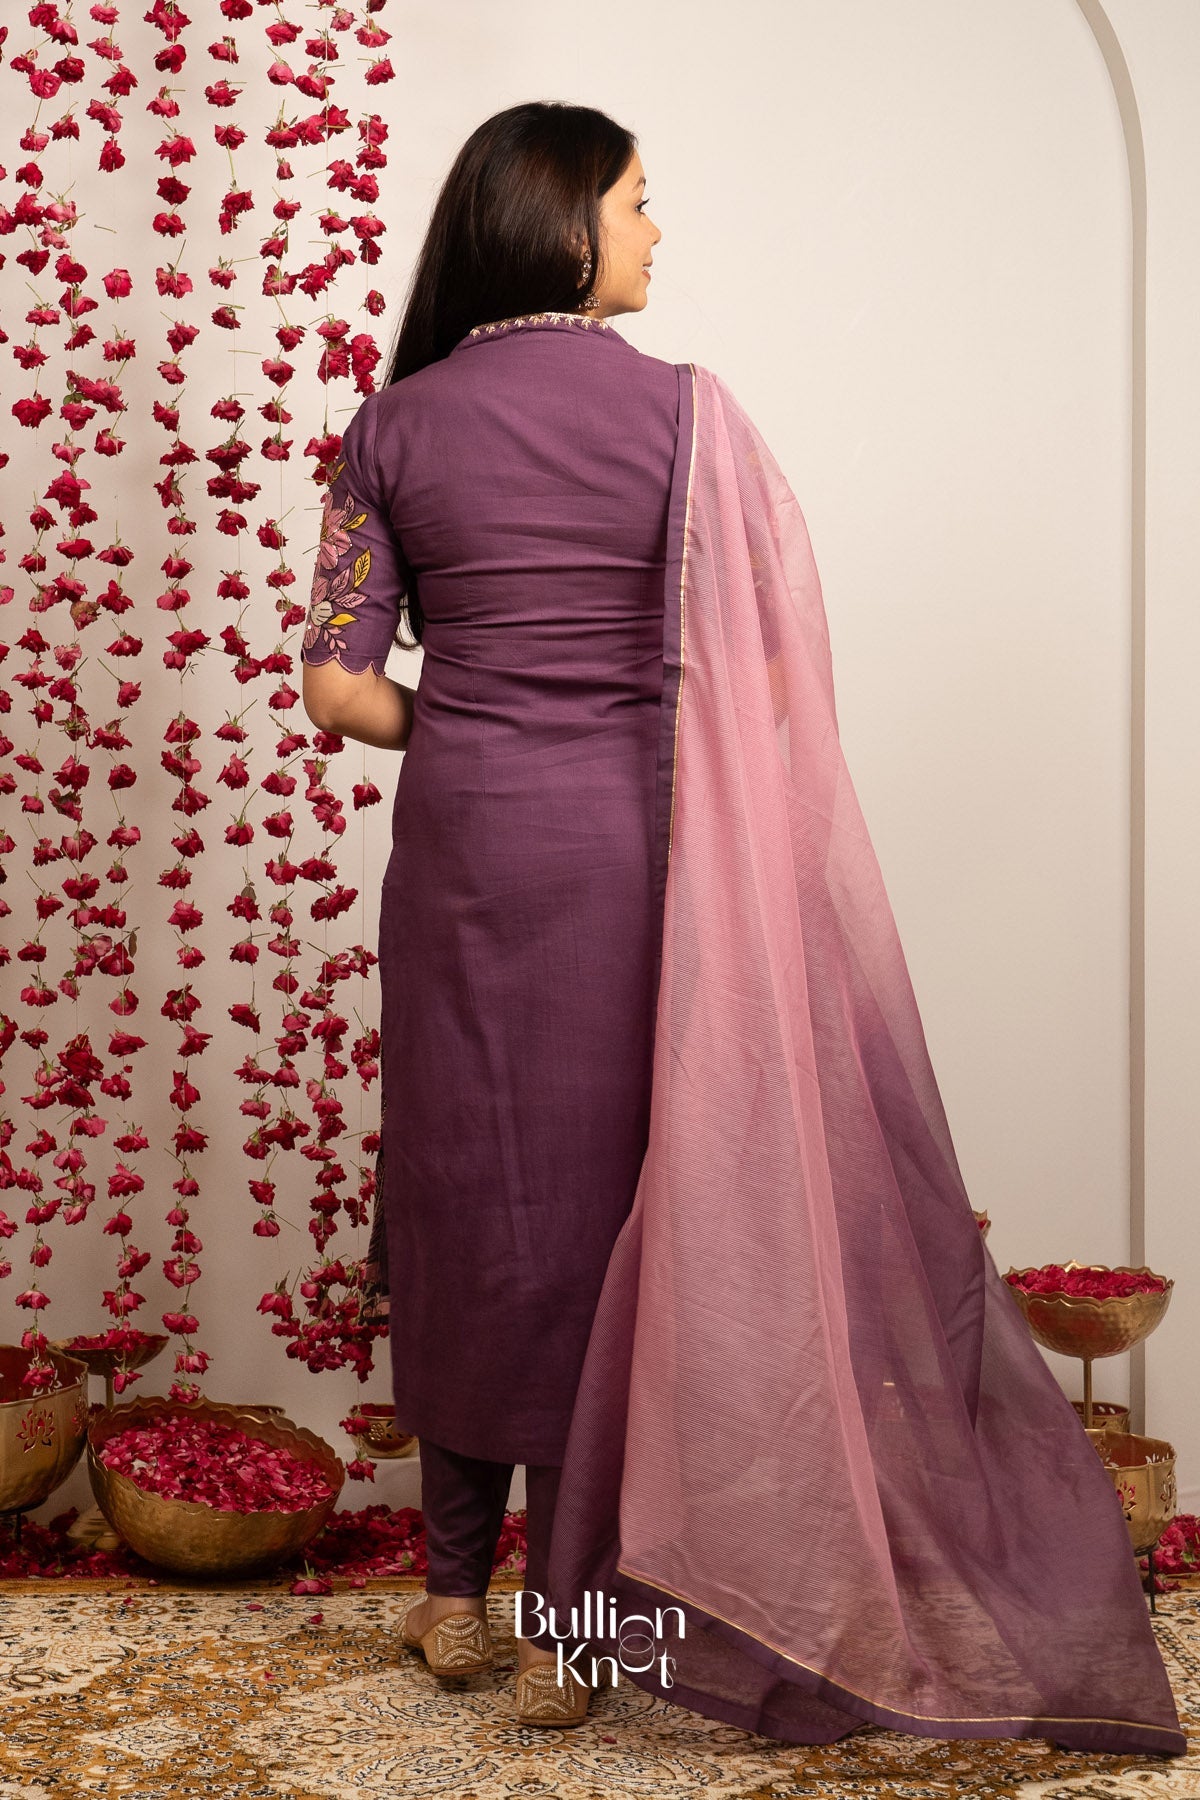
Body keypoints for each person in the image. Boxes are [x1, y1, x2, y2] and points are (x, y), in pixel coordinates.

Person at [302, 102, 1186, 1755]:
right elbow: (768, 677)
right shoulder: (694, 420)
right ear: (564, 230)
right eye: (639, 207)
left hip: (467, 863)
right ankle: (572, 1629)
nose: (656, 234)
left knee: (468, 1189)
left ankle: (446, 1596)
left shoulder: (390, 428)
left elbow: (340, 688)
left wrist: (476, 717)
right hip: (644, 863)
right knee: (610, 1209)